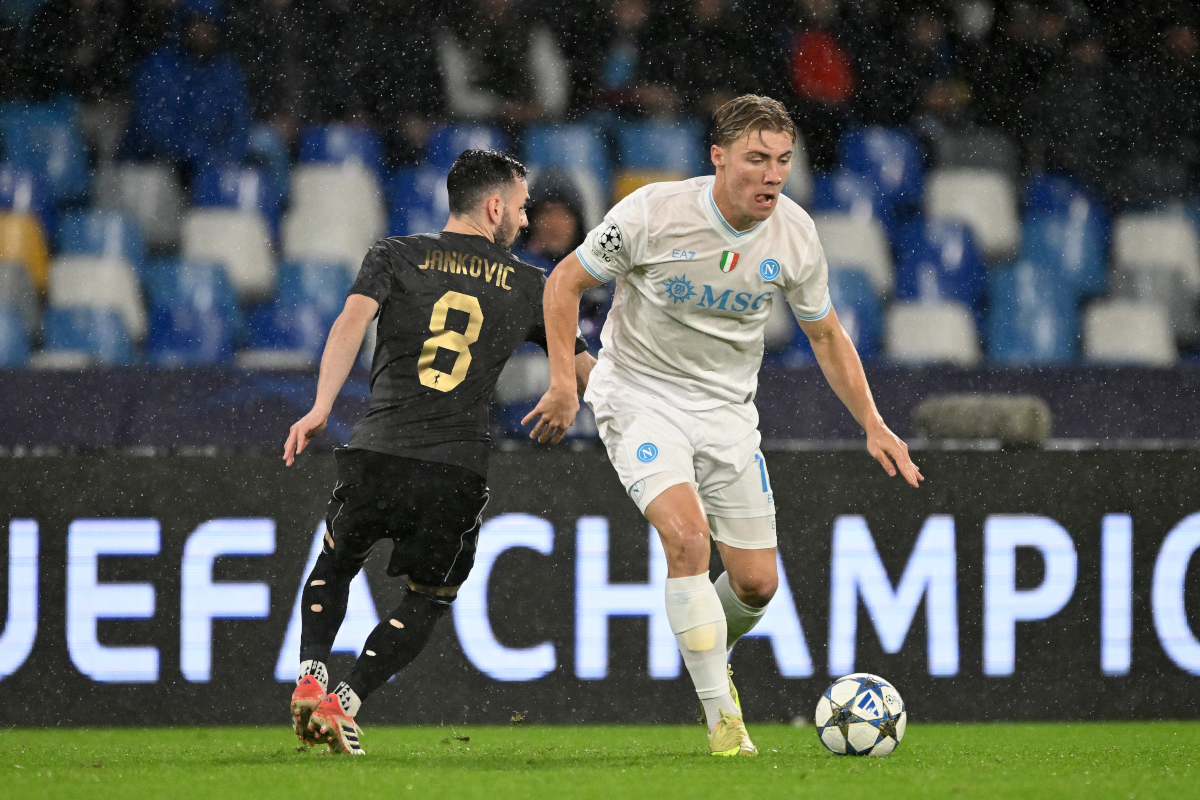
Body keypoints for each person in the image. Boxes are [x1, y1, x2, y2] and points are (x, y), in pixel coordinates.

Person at [524, 95, 922, 757]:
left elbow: (825, 336)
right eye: (756, 159)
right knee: (686, 538)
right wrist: (567, 382)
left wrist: (874, 424)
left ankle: (704, 641)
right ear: (718, 157)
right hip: (639, 393)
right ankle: (723, 721)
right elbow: (562, 283)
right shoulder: (654, 213)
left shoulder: (793, 234)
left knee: (757, 584)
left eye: (783, 162)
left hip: (728, 413)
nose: (772, 175)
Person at [282, 149, 594, 755]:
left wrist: (321, 406)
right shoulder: (534, 286)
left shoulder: (394, 254)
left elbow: (350, 323)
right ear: (495, 206)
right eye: (523, 208)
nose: (527, 222)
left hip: (378, 447)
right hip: (454, 468)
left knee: (337, 560)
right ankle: (345, 701)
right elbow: (587, 373)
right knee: (429, 597)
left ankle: (311, 673)